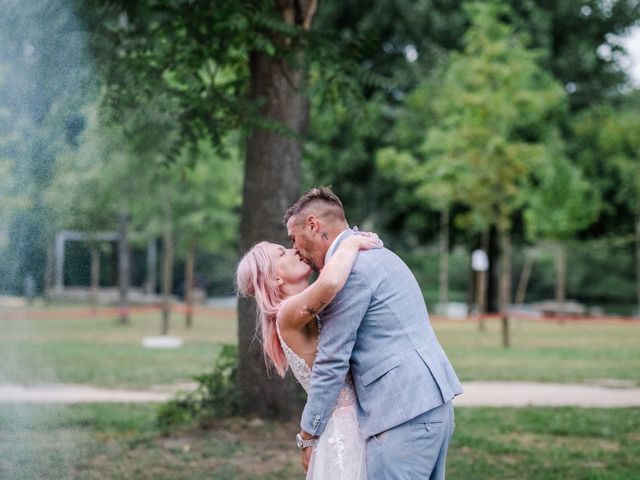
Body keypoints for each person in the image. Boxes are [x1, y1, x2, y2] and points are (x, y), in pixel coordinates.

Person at [285, 186, 463, 479]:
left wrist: (308, 433)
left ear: (313, 225)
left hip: (400, 417)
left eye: (294, 238)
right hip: (435, 408)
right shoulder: (380, 254)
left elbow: (332, 360)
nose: (295, 250)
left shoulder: (347, 272)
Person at [236, 230, 383, 479]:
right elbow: (330, 283)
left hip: (360, 422)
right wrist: (351, 243)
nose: (293, 250)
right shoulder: (287, 314)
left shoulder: (306, 312)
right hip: (344, 432)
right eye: (282, 253)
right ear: (275, 280)